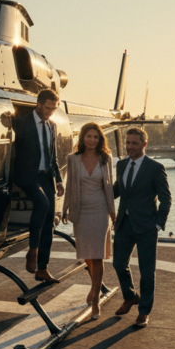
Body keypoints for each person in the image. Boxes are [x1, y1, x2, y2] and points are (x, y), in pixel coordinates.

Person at [112, 127, 171, 329]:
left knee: (147, 272)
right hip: (123, 224)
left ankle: (144, 311)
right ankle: (130, 296)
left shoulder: (155, 167)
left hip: (146, 226)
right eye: (127, 143)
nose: (130, 147)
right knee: (119, 264)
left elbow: (165, 198)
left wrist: (157, 223)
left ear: (144, 144)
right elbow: (116, 191)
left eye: (134, 143)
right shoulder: (120, 165)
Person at [62, 122, 116, 320]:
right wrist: (65, 209)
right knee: (87, 253)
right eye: (88, 136)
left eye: (95, 137)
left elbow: (109, 187)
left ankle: (95, 300)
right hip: (81, 210)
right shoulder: (73, 159)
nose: (92, 140)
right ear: (82, 138)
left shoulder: (106, 158)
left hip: (101, 210)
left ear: (100, 139)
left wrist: (112, 211)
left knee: (98, 254)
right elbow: (69, 186)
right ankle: (96, 287)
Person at [12, 89, 65, 283]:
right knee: (42, 203)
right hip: (27, 175)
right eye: (48, 108)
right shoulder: (22, 123)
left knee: (50, 221)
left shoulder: (52, 125)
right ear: (39, 104)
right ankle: (32, 251)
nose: (50, 112)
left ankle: (42, 268)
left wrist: (58, 179)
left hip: (46, 177)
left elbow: (53, 157)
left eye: (54, 109)